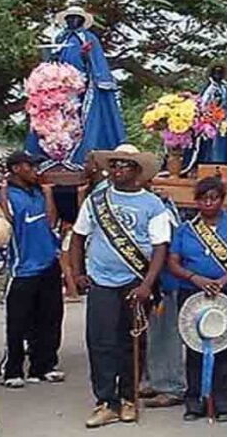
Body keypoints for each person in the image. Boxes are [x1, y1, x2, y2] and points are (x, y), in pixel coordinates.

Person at [69, 145, 170, 428]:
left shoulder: (153, 204)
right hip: (101, 281)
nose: (118, 170)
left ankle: (128, 398)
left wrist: (147, 284)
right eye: (114, 165)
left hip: (136, 282)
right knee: (100, 342)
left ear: (137, 171)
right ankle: (105, 401)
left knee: (132, 342)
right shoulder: (95, 200)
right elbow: (78, 237)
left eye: (125, 165)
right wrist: (77, 273)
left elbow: (160, 247)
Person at [167, 177, 227, 422]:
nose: (208, 203)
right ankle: (196, 402)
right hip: (192, 292)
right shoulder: (186, 229)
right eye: (203, 199)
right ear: (196, 201)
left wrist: (224, 281)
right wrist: (195, 278)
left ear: (222, 199)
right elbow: (173, 262)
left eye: (214, 198)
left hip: (225, 291)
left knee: (226, 347)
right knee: (195, 346)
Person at [25, 6, 127, 165]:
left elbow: (96, 62)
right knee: (54, 120)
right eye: (69, 18)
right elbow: (54, 57)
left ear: (82, 21)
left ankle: (79, 157)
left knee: (81, 119)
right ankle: (51, 155)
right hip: (60, 85)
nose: (72, 21)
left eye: (76, 18)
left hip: (82, 85)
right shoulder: (60, 38)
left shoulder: (89, 38)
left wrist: (86, 56)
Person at [0, 151, 64, 388]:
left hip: (48, 263)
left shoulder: (39, 192)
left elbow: (51, 222)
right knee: (18, 322)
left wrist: (48, 194)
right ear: (16, 168)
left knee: (50, 317)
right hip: (22, 268)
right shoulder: (6, 195)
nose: (36, 170)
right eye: (30, 166)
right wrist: (3, 194)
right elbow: (4, 225)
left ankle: (44, 365)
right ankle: (13, 369)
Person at [140, 182, 185, 409]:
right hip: (150, 281)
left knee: (166, 333)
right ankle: (156, 379)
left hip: (164, 281)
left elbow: (163, 247)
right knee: (153, 333)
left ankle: (171, 386)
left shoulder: (160, 209)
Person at [181, 63, 227, 174]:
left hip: (224, 122)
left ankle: (224, 164)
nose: (217, 75)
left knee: (224, 142)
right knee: (207, 142)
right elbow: (201, 103)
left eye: (220, 72)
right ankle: (204, 163)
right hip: (208, 122)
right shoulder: (207, 88)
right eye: (215, 72)